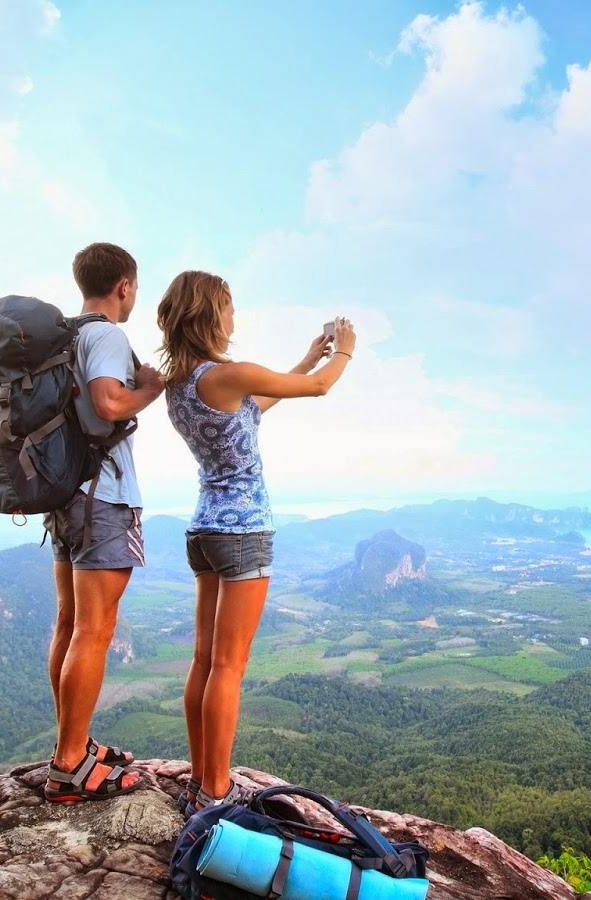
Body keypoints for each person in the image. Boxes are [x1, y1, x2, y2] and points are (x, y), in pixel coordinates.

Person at [155, 270, 356, 813]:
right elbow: (317, 390)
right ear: (209, 314)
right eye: (228, 307)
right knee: (228, 667)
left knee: (203, 660)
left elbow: (256, 406)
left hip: (203, 531)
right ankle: (216, 791)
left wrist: (308, 357)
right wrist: (344, 355)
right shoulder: (229, 373)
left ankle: (202, 780)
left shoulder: (181, 386)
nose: (233, 317)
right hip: (243, 533)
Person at [42, 242, 165, 802]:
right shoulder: (107, 335)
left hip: (65, 494)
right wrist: (150, 390)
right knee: (95, 629)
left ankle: (76, 743)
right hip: (103, 498)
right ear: (125, 286)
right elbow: (110, 403)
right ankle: (71, 764)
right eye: (134, 288)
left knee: (69, 623)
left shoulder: (63, 335)